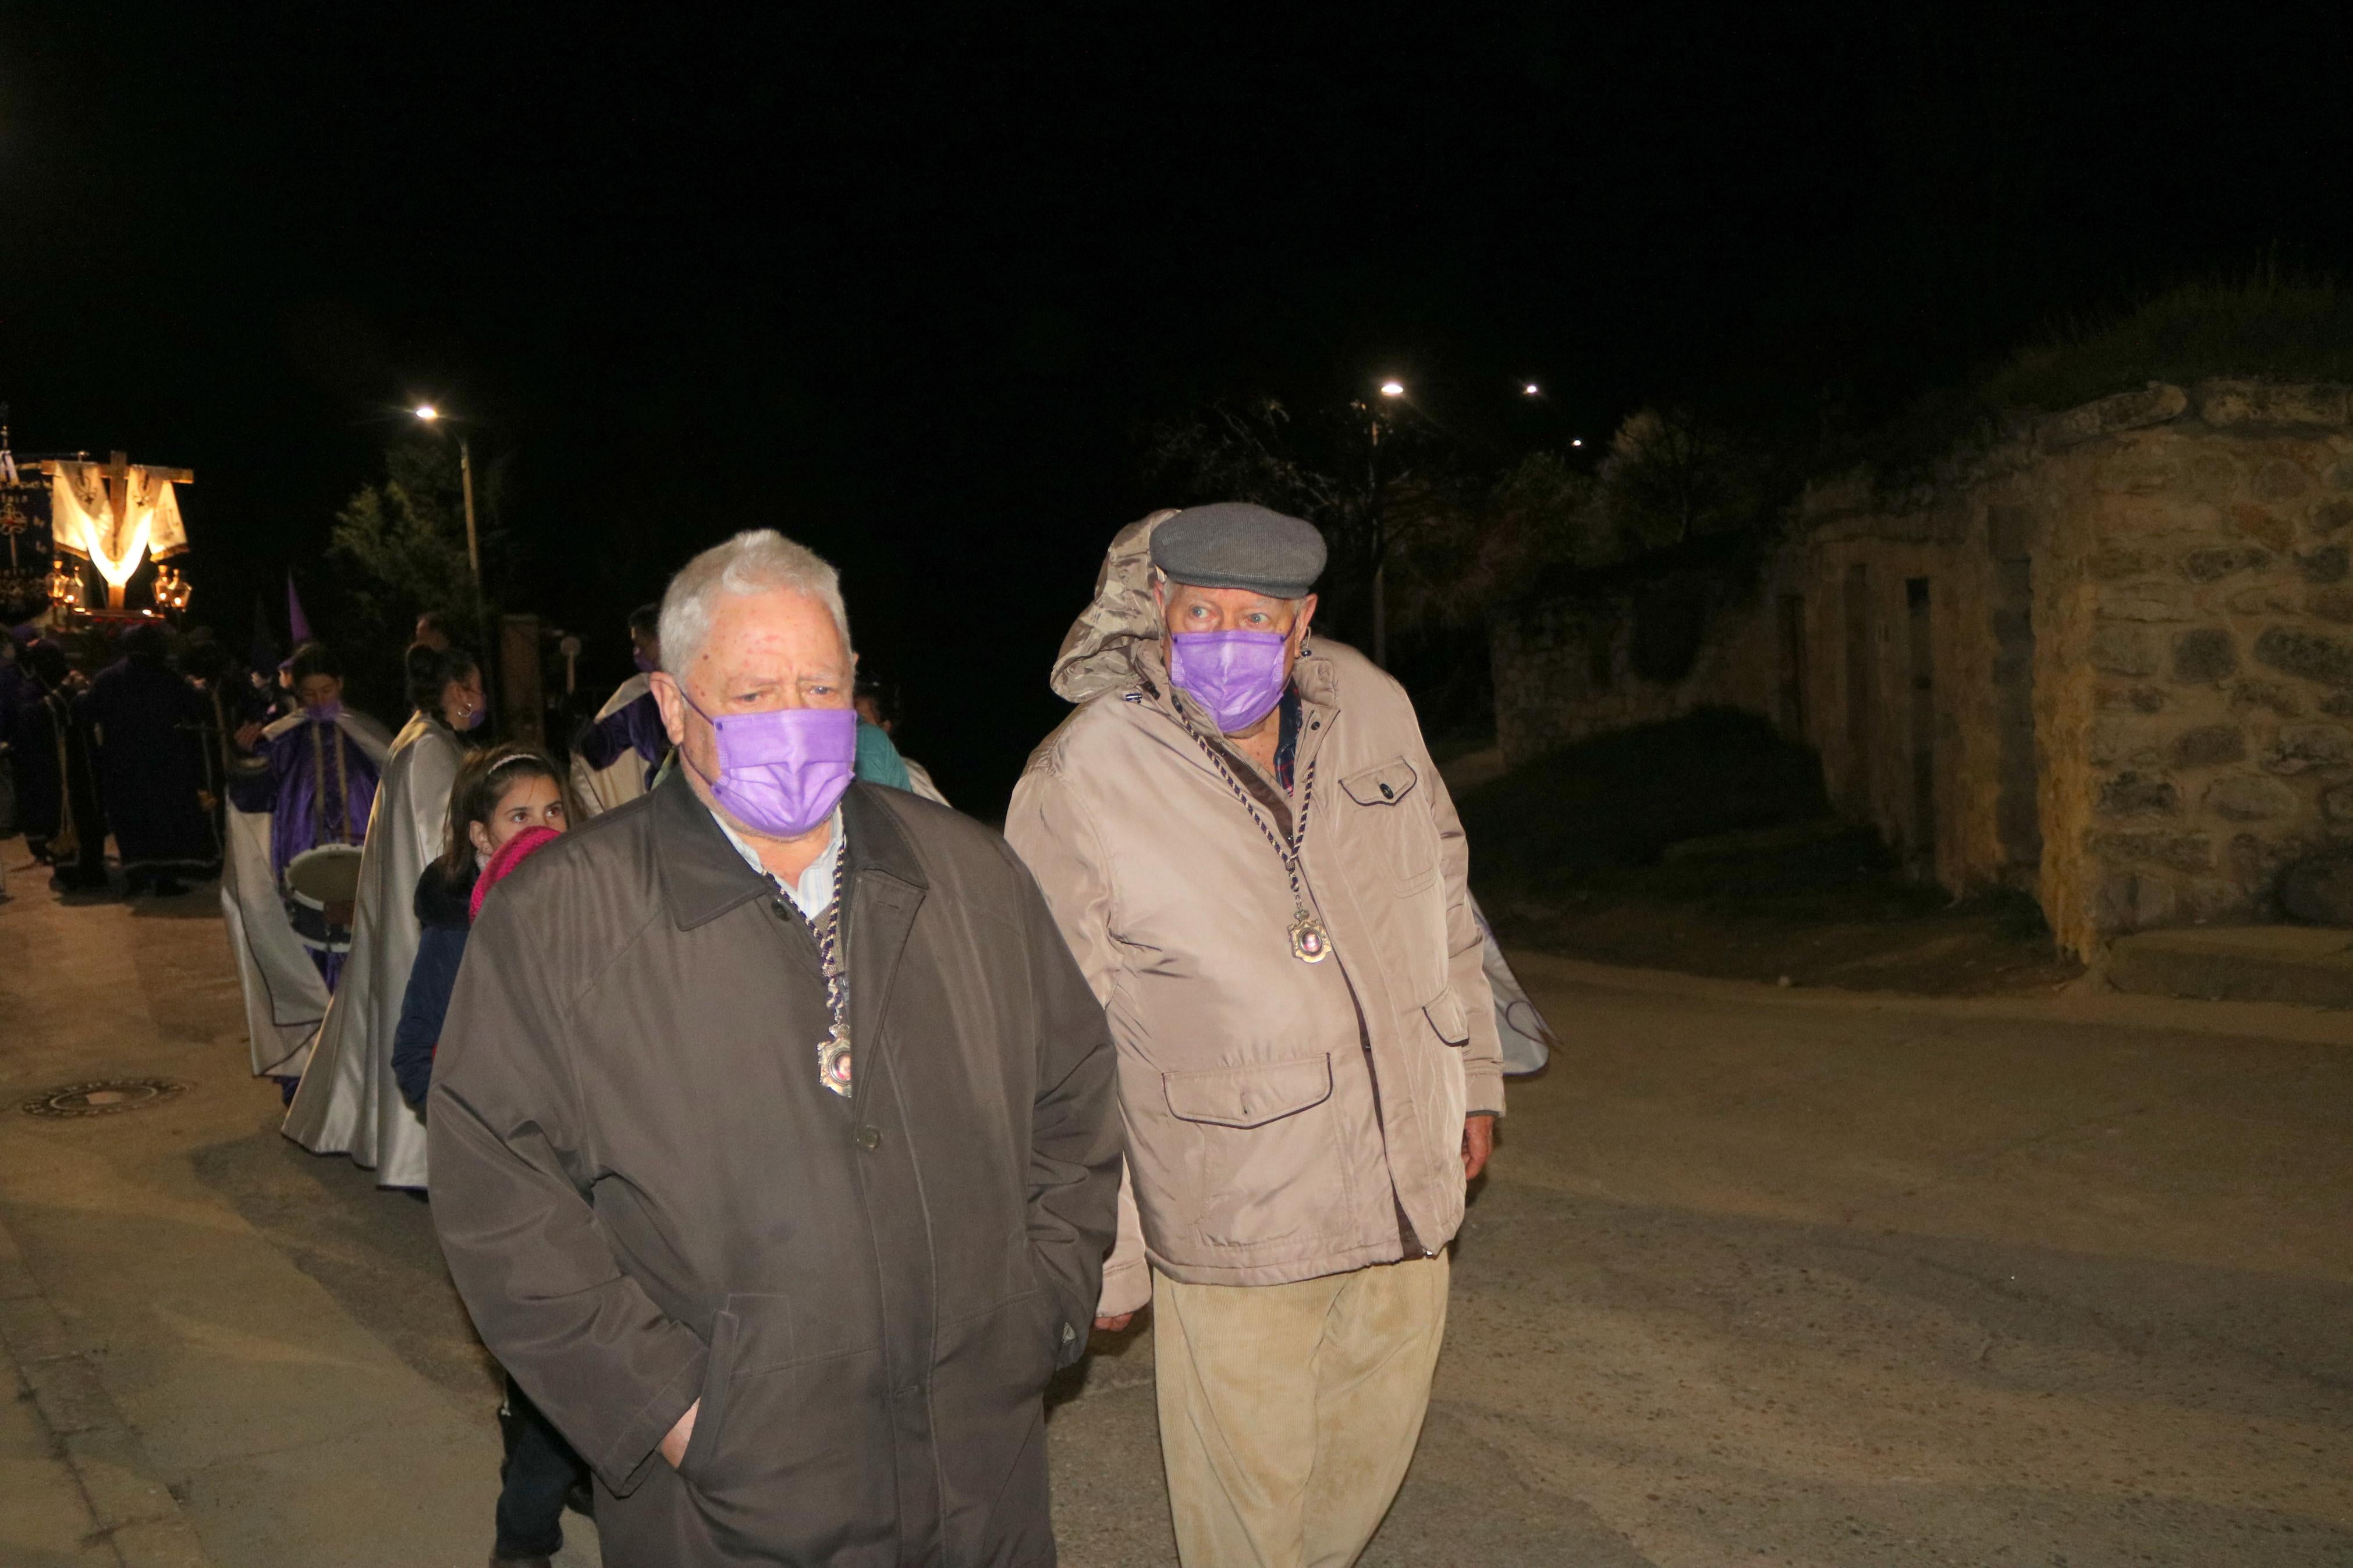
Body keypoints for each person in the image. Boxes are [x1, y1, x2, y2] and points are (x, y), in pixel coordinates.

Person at [429, 528, 1122, 1566]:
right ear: (672, 706)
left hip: (981, 1480)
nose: (793, 721)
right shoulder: (564, 919)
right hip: (731, 1507)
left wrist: (1044, 1301)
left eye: (818, 687)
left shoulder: (970, 876)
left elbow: (1072, 1096)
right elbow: (500, 1199)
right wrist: (674, 1412)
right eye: (752, 695)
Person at [1005, 503, 1507, 1568]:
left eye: (1257, 616)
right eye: (1202, 613)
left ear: (1302, 618)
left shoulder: (1371, 705)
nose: (1227, 639)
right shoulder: (1082, 773)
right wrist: (1101, 1245)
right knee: (1247, 1519)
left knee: (1358, 1475)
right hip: (1233, 1207)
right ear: (1159, 605)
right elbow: (1050, 1037)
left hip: (1404, 1182)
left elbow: (1443, 898)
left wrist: (1470, 1076)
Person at [388, 743, 585, 1568]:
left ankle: (558, 1471)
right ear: (479, 835)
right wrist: (498, 1111)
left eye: (554, 810)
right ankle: (524, 1535)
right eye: (518, 815)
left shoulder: (593, 903)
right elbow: (416, 1058)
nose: (543, 827)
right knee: (561, 1364)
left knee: (577, 1357)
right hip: (516, 1181)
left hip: (595, 1175)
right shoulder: (458, 932)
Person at [283, 643, 483, 1189]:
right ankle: (416, 1159)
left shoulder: (426, 738)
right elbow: (439, 844)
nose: (479, 698)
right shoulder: (429, 749)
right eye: (472, 686)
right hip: (423, 926)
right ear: (453, 690)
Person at [77, 622, 219, 895]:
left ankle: (137, 877)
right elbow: (195, 709)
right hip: (165, 761)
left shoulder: (108, 678)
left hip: (122, 763)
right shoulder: (169, 678)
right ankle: (166, 880)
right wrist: (199, 690)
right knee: (165, 819)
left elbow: (87, 712)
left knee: (131, 819)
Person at [13, 641, 108, 892]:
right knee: (60, 815)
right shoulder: (30, 688)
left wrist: (85, 692)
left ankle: (92, 866)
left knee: (88, 811)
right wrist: (64, 692)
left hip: (82, 760)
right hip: (53, 767)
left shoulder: (68, 679)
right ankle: (67, 871)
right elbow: (32, 718)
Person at [567, 603, 668, 816]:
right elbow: (600, 749)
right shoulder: (640, 695)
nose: (637, 653)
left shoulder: (642, 697)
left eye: (641, 645)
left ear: (661, 639)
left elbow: (595, 752)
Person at [854, 676, 950, 806]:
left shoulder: (868, 739)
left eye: (859, 719)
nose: (851, 724)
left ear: (884, 727)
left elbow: (870, 808)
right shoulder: (912, 769)